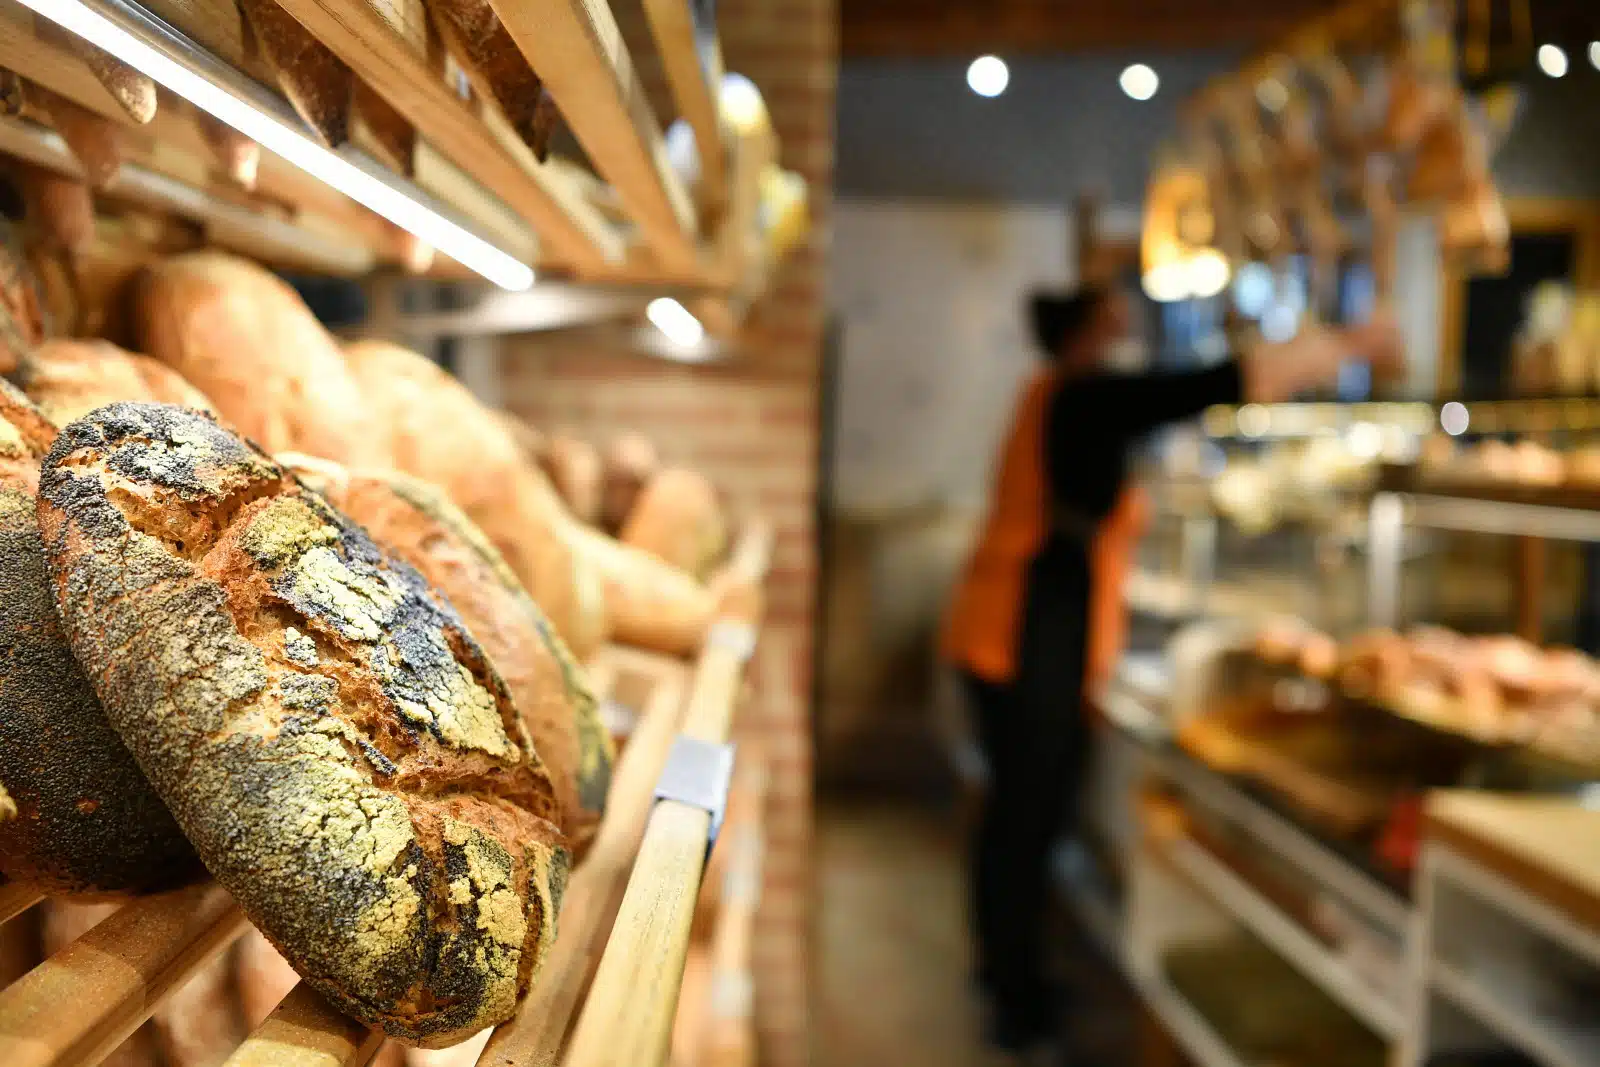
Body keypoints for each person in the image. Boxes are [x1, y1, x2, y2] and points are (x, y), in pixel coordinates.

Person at [940, 285, 1401, 1055]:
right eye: (1112, 319)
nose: (1125, 330)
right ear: (1087, 330)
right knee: (1025, 818)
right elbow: (1218, 384)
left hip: (1020, 624)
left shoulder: (1056, 393)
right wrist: (1349, 346)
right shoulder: (1083, 397)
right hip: (1025, 630)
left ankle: (1006, 970)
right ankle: (1014, 996)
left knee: (1019, 816)